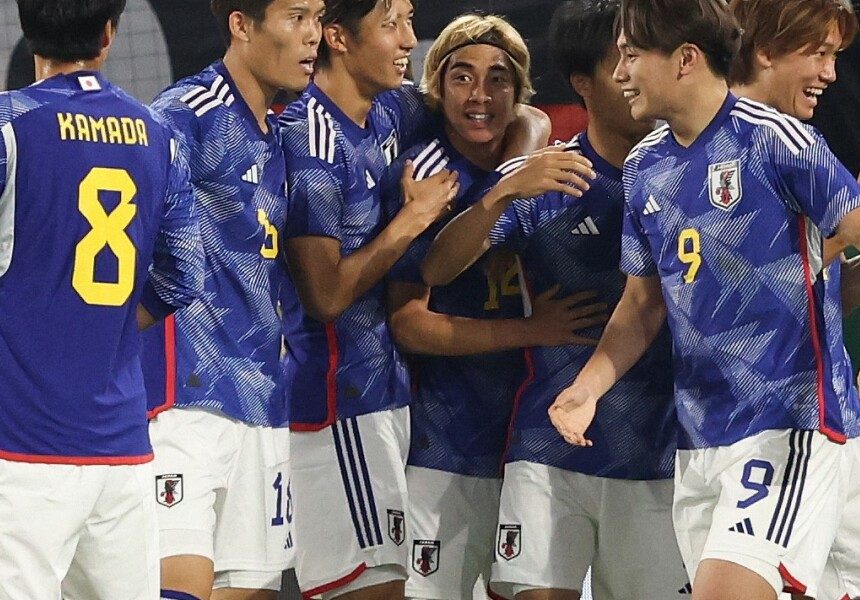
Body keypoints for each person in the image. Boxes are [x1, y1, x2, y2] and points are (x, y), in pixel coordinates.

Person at [547, 0, 860, 598]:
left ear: (685, 59)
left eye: (633, 56)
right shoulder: (643, 169)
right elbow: (642, 304)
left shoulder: (776, 139)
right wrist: (587, 388)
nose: (620, 74)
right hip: (703, 444)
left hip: (786, 427)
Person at [0, 0, 205, 597]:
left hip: (23, 441)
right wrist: (112, 324)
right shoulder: (158, 133)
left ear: (27, 29)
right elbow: (185, 279)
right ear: (109, 32)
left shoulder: (4, 121)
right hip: (120, 446)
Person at [276, 1, 549, 598]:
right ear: (338, 37)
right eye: (392, 24)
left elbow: (517, 112)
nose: (409, 40)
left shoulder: (389, 109)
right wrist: (411, 221)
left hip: (382, 401)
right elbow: (323, 296)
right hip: (336, 399)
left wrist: (515, 164)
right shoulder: (313, 139)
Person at [420, 1, 688, 598]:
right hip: (545, 455)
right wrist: (500, 192)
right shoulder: (549, 178)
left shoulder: (688, 182)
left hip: (658, 458)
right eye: (619, 60)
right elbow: (437, 268)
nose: (632, 73)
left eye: (639, 57)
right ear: (583, 83)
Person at [727, 0, 860, 597]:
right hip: (766, 433)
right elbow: (728, 299)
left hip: (838, 418)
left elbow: (810, 293)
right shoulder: (719, 148)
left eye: (834, 55)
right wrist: (844, 235)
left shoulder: (800, 143)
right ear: (766, 48)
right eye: (818, 53)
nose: (830, 73)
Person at [382, 14, 598, 600]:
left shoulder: (541, 162)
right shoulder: (426, 175)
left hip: (525, 445)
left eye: (499, 79)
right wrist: (532, 331)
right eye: (462, 78)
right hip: (444, 444)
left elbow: (536, 120)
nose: (481, 95)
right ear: (436, 87)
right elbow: (409, 323)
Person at [139, 1, 323, 599]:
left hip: (263, 397)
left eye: (319, 18)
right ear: (241, 25)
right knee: (176, 580)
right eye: (296, 17)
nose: (313, 36)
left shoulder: (282, 132)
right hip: (184, 394)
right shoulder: (183, 116)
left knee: (253, 585)